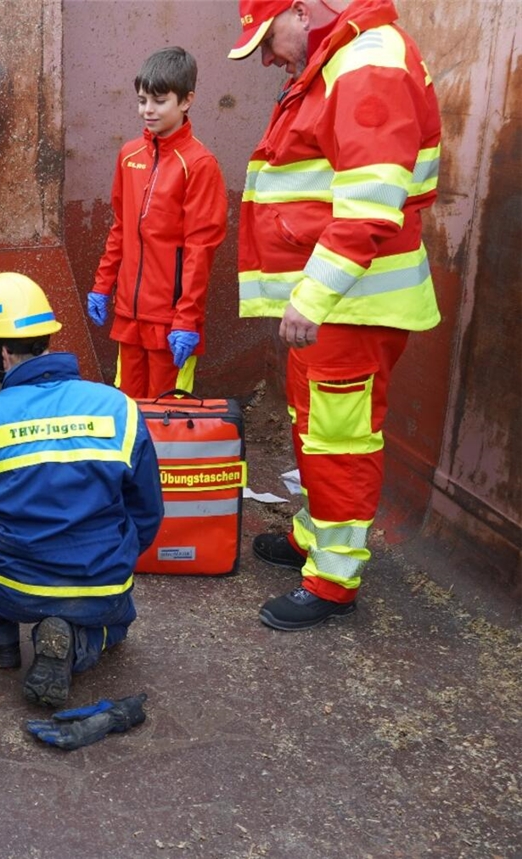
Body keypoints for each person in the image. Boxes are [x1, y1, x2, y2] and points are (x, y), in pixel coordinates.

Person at [228, 0, 441, 629]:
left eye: (268, 38)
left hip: (349, 303)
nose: (265, 56)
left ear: (301, 9)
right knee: (313, 426)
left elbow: (371, 204)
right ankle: (310, 536)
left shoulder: (366, 62)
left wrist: (312, 296)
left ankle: (334, 579)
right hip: (335, 303)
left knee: (338, 440)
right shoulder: (341, 61)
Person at [0, 272, 164, 707]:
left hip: (11, 586)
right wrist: (113, 559)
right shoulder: (120, 407)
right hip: (104, 582)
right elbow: (147, 512)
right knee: (114, 624)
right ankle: (80, 640)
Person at [87, 46, 228, 398]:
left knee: (169, 418)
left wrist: (187, 319)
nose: (147, 110)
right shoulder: (129, 155)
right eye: (142, 100)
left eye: (159, 100)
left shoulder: (199, 164)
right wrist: (103, 286)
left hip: (171, 322)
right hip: (129, 318)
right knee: (131, 413)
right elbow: (120, 228)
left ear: (186, 100)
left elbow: (201, 248)